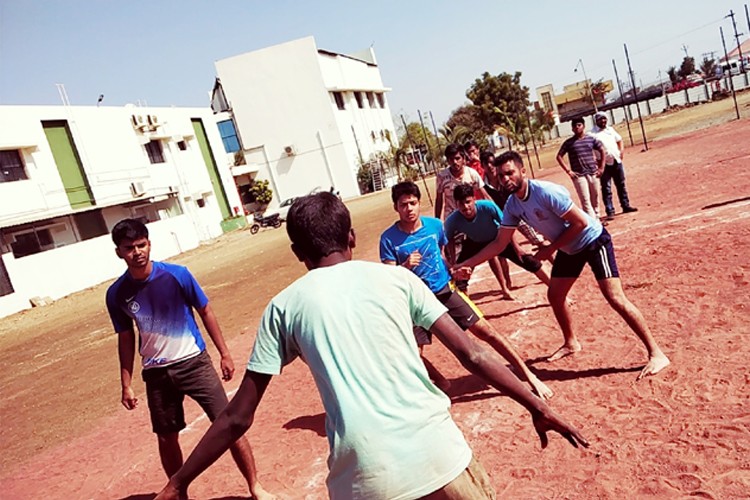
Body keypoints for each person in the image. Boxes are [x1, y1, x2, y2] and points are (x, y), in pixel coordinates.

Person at [154, 192, 588, 500]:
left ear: (296, 252)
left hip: (365, 481)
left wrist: (178, 483)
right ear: (351, 239)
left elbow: (236, 417)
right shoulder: (399, 279)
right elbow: (472, 354)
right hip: (441, 460)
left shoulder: (283, 307)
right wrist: (539, 406)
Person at [454, 152, 670, 380]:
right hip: (570, 248)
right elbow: (500, 243)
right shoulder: (512, 205)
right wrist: (467, 263)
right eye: (500, 176)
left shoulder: (546, 192)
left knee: (614, 297)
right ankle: (571, 342)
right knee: (555, 296)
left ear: (522, 172)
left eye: (510, 173)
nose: (505, 179)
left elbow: (581, 222)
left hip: (593, 241)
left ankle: (656, 353)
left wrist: (549, 249)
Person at [105, 219, 272, 500]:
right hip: (156, 374)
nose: (137, 252)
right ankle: (180, 495)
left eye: (141, 245)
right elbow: (125, 337)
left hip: (194, 363)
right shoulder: (117, 294)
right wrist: (126, 383)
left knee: (230, 423)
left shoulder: (177, 275)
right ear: (119, 252)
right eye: (129, 248)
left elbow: (205, 310)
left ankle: (255, 486)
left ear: (149, 244)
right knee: (166, 437)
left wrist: (224, 353)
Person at [380, 181, 553, 399]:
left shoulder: (434, 225)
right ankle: (441, 383)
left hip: (445, 291)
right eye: (404, 204)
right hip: (415, 303)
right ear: (396, 207)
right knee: (413, 354)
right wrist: (405, 267)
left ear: (419, 203)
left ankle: (529, 376)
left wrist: (454, 271)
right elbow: (389, 277)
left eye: (413, 203)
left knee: (488, 332)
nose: (409, 209)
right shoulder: (388, 239)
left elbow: (442, 257)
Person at [445, 184, 552, 293]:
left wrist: (516, 247)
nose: (465, 207)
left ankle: (556, 291)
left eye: (468, 202)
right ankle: (466, 306)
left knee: (529, 261)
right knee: (459, 275)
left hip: (498, 238)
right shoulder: (452, 220)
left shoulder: (488, 206)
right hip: (475, 242)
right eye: (461, 204)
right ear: (456, 204)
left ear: (474, 199)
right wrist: (453, 261)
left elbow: (506, 225)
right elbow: (449, 240)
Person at [590, 111, 638, 221]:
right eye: (600, 119)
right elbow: (590, 149)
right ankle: (610, 210)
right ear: (596, 121)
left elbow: (619, 140)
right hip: (604, 164)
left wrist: (621, 151)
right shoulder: (592, 134)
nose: (603, 121)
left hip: (616, 161)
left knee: (621, 185)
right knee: (606, 188)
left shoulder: (610, 130)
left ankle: (625, 205)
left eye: (604, 119)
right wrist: (595, 161)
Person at [556, 117, 606, 220]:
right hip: (579, 175)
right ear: (572, 129)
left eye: (579, 125)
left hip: (593, 173)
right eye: (574, 126)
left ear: (583, 126)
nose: (576, 128)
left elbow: (602, 150)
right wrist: (568, 171)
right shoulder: (569, 143)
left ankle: (597, 217)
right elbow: (559, 156)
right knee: (585, 200)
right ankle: (594, 222)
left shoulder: (591, 139)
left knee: (595, 198)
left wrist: (601, 167)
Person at [434, 143, 488, 220]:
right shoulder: (441, 177)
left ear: (463, 158)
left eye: (457, 158)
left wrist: (494, 211)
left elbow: (484, 195)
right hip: (452, 218)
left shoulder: (472, 173)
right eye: (451, 159)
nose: (455, 162)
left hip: (471, 216)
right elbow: (439, 200)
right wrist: (436, 221)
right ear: (448, 161)